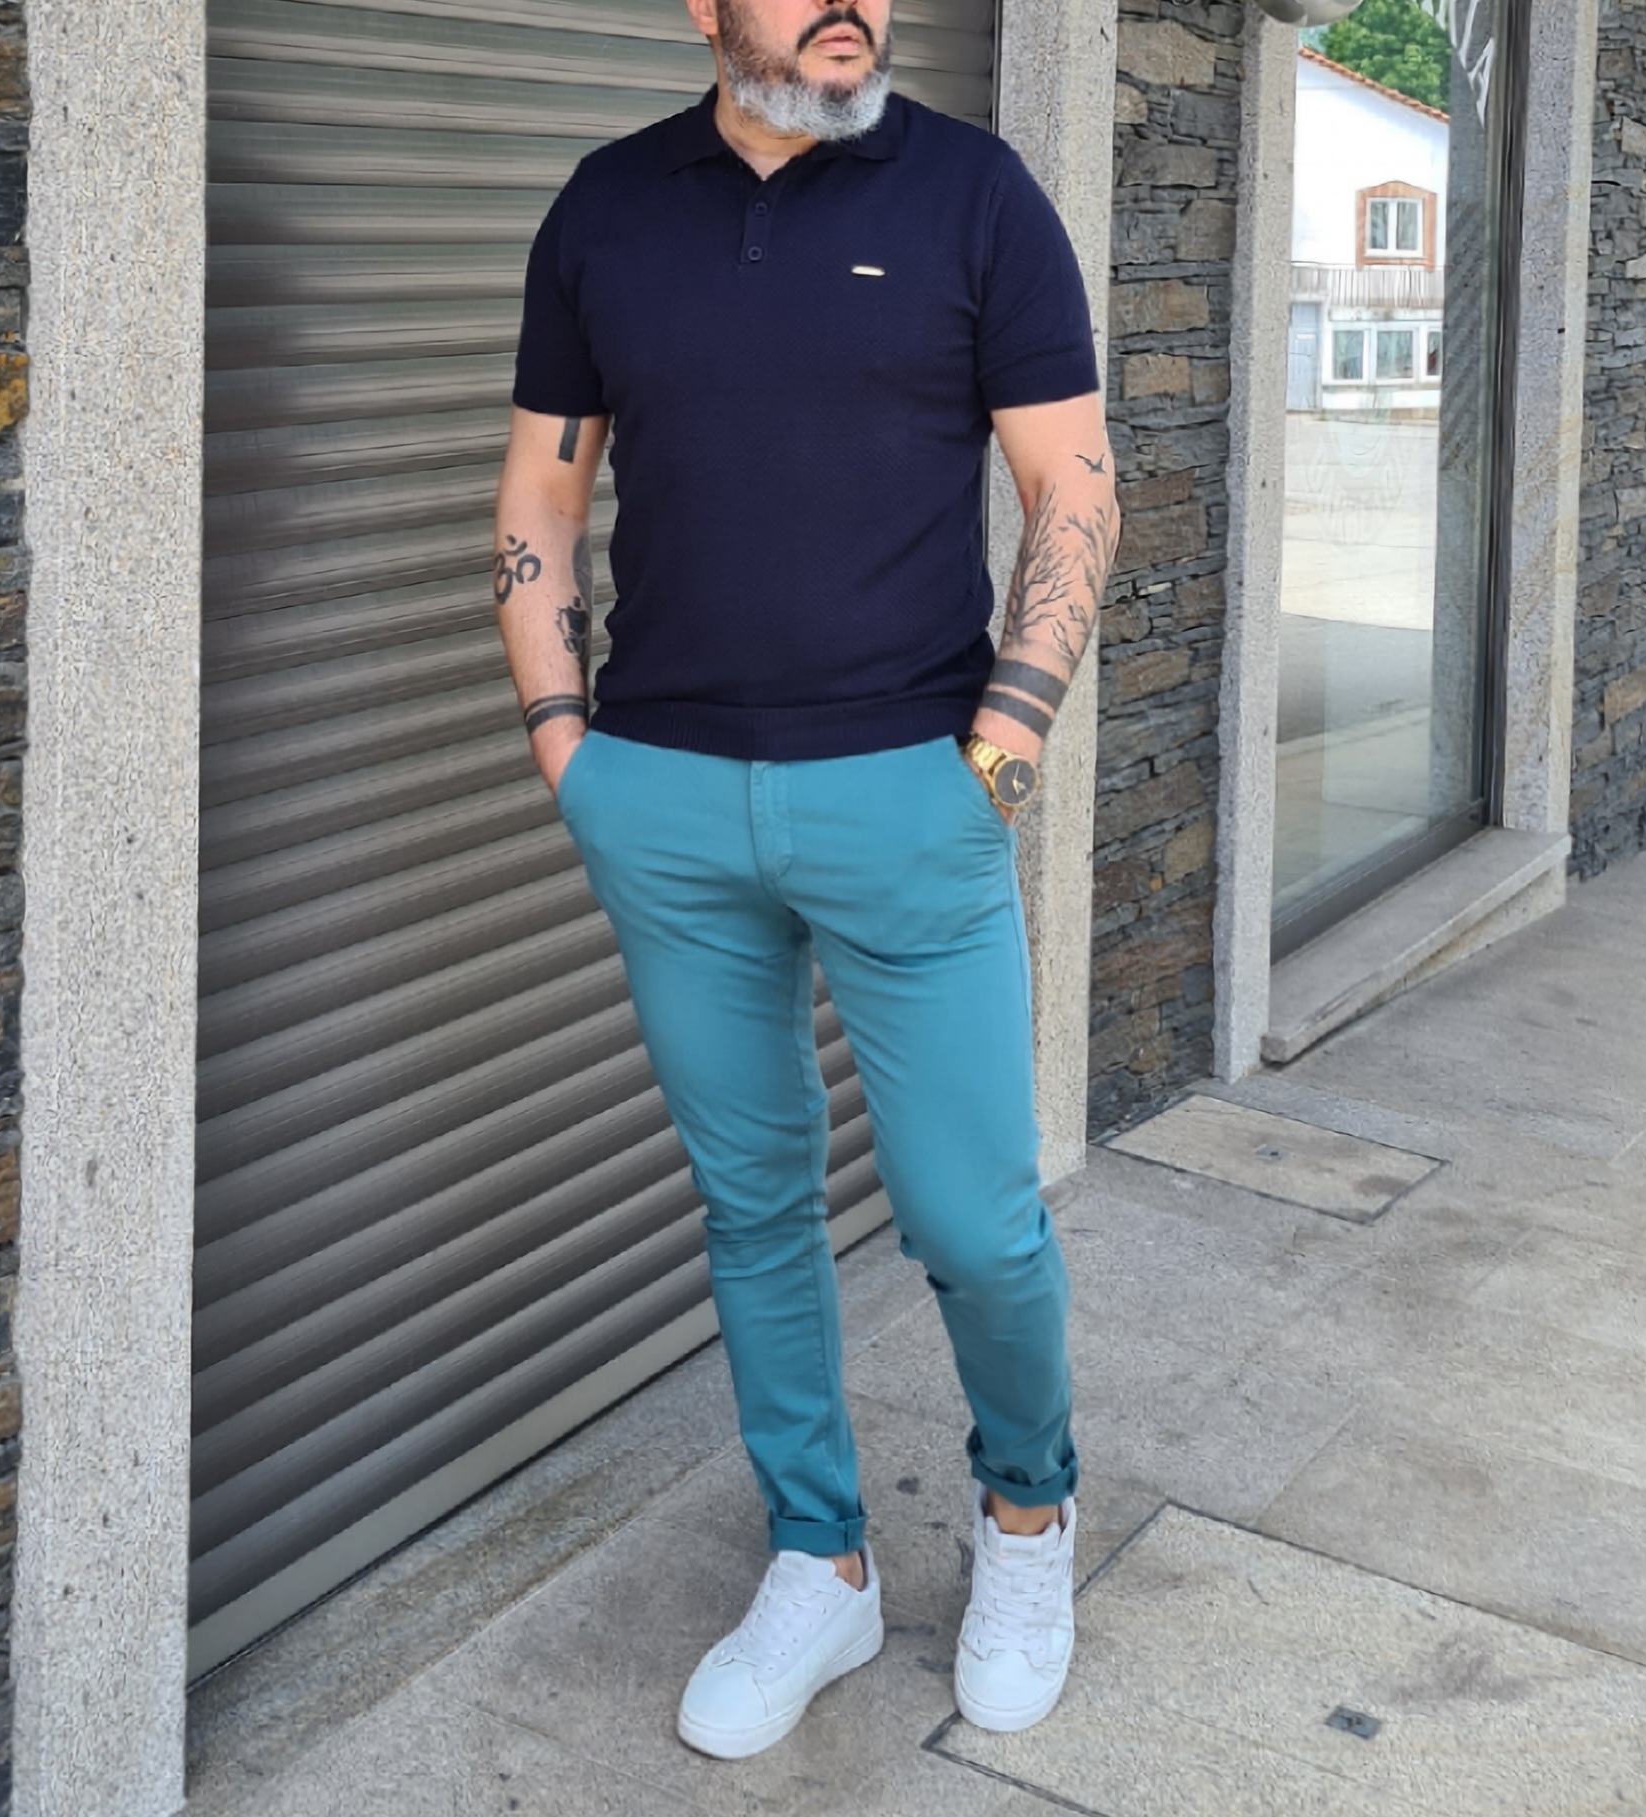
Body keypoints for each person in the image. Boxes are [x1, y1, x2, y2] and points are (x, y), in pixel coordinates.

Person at [492, 0, 1118, 1761]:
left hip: (909, 796)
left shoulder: (976, 198)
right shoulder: (607, 208)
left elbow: (1073, 485)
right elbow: (541, 487)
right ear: (705, 10)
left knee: (973, 1217)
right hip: (666, 799)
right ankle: (818, 1554)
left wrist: (999, 757)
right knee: (752, 1202)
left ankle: (1025, 1512)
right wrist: (568, 747)